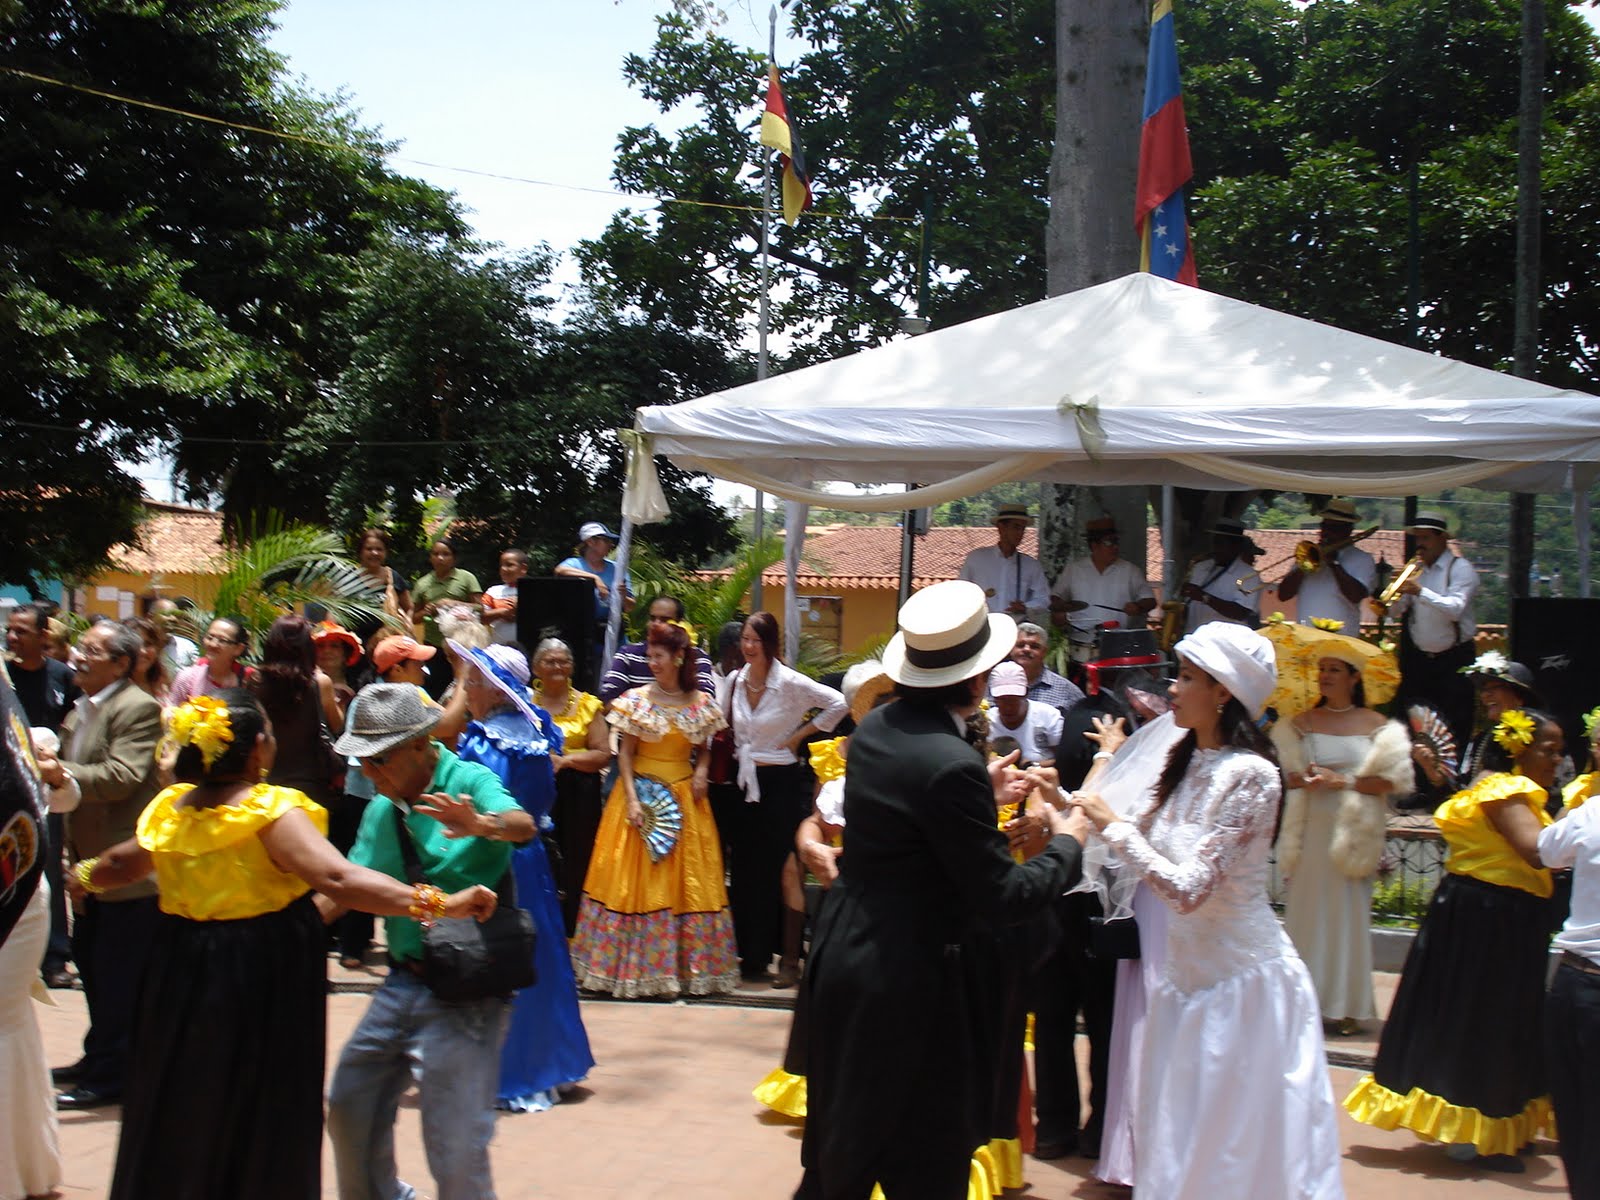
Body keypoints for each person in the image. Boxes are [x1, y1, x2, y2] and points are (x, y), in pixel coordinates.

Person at [69, 690, 495, 1200]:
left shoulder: (174, 807)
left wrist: (84, 875)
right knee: (259, 1104)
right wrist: (437, 903)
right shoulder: (268, 811)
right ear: (256, 751)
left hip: (180, 972)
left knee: (186, 1095)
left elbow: (121, 864)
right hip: (257, 975)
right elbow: (337, 877)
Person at [797, 580, 1086, 1199]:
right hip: (910, 980)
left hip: (849, 953)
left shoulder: (878, 730)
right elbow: (1002, 894)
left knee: (841, 1153)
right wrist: (1070, 843)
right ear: (978, 678)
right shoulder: (949, 763)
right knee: (925, 1161)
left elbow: (911, 819)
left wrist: (978, 791)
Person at [1071, 622, 1344, 1200]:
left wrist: (1113, 826)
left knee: (1235, 1156)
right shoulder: (1183, 761)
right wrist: (1047, 802)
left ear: (1223, 692)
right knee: (1182, 1145)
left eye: (1188, 677)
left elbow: (1188, 888)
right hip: (1184, 985)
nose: (1172, 689)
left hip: (1243, 990)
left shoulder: (1252, 775)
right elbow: (1106, 829)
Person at [325, 683, 535, 1200]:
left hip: (466, 993)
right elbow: (348, 884)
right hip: (403, 981)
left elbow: (523, 826)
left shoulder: (467, 779)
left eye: (379, 761)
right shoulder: (381, 809)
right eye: (363, 763)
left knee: (455, 1147)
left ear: (420, 745)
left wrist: (480, 825)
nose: (369, 774)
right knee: (350, 1105)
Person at [1345, 708, 1563, 1172]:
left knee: (1497, 1021)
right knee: (1482, 1020)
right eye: (1549, 749)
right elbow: (1537, 851)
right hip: (1490, 923)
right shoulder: (1506, 790)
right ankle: (1473, 1133)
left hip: (1494, 919)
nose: (1557, 761)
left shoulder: (1511, 792)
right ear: (1518, 748)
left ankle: (1499, 1127)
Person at [448, 640, 595, 1112]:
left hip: (493, 859)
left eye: (471, 682)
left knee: (494, 955)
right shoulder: (537, 736)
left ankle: (506, 1069)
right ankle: (552, 1063)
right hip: (530, 856)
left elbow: (471, 804)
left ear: (493, 690)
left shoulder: (481, 741)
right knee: (541, 954)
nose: (466, 689)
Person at [33, 621, 164, 1110]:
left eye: (93, 651)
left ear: (123, 663)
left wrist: (60, 770)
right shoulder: (84, 707)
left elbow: (123, 776)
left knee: (118, 976)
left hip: (127, 872)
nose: (80, 658)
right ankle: (99, 1056)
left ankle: (116, 1073)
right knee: (93, 965)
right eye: (81, 649)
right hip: (88, 866)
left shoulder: (138, 707)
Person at [569, 621, 739, 998]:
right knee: (635, 884)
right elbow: (625, 754)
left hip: (685, 800)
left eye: (658, 656)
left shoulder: (700, 702)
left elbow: (706, 745)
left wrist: (703, 771)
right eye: (650, 656)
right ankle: (628, 968)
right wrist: (630, 799)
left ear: (678, 657)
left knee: (686, 885)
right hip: (641, 800)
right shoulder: (636, 701)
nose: (652, 662)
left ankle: (681, 970)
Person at [1272, 637, 1413, 1034]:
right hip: (1310, 830)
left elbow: (1392, 781)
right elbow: (1281, 776)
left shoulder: (1379, 725)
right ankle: (1303, 1000)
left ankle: (1346, 1004)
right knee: (1305, 915)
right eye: (1322, 669)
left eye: (1334, 669)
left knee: (1348, 916)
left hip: (1352, 833)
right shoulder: (1299, 723)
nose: (1325, 676)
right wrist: (1298, 778)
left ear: (1354, 677)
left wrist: (1344, 781)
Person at [728, 611, 847, 982]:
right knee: (746, 870)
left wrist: (800, 735)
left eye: (756, 641)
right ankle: (750, 955)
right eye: (745, 639)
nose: (748, 647)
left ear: (770, 644)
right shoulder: (734, 680)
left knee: (783, 868)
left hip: (779, 780)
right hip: (743, 780)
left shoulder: (791, 683)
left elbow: (838, 703)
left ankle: (789, 957)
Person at [0, 656, 63, 1200]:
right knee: (11, 1023)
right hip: (20, 879)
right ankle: (26, 1167)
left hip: (13, 891)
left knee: (5, 1019)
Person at [7, 602, 80, 990]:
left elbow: (72, 725)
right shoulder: (5, 677)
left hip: (48, 789)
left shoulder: (62, 677)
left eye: (22, 631)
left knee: (47, 866)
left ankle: (55, 957)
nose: (12, 636)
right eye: (10, 630)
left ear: (43, 637)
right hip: (11, 786)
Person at [1539, 750, 1600, 1198]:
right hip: (1577, 987)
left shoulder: (1590, 811)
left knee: (1578, 1126)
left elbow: (1545, 851)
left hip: (1575, 985)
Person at [531, 636, 610, 935]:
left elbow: (603, 753)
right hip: (538, 791)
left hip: (578, 792)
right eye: (550, 661)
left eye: (563, 661)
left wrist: (565, 762)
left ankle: (575, 931)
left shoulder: (589, 705)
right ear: (536, 668)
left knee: (578, 862)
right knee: (539, 857)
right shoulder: (525, 703)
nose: (557, 667)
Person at [1390, 510, 1480, 748]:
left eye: (1426, 538)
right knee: (1412, 724)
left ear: (1442, 539)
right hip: (1419, 661)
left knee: (1453, 725)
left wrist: (1419, 591)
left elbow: (1455, 608)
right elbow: (1395, 611)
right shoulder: (1419, 571)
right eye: (1417, 539)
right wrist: (1393, 594)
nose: (1420, 545)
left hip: (1453, 660)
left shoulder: (1461, 569)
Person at [252, 615, 340, 807]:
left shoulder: (255, 681)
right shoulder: (319, 683)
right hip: (310, 785)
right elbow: (338, 726)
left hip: (266, 782)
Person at [1049, 516, 1156, 662]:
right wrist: (1059, 612)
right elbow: (1055, 597)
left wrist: (1138, 606)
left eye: (1116, 541)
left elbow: (1150, 600)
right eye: (1109, 542)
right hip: (1080, 643)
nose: (1115, 547)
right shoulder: (1074, 569)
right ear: (1094, 545)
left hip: (1118, 643)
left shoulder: (1130, 570)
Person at [1275, 496, 1375, 631]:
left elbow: (1356, 596)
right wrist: (1304, 566)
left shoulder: (1362, 559)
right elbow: (1283, 595)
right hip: (1305, 636)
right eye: (1324, 526)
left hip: (1341, 640)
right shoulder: (1309, 553)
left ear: (1348, 530)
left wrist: (1334, 564)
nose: (1326, 532)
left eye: (1334, 528)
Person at [599, 593, 714, 701]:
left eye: (664, 620)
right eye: (652, 618)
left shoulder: (698, 657)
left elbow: (705, 699)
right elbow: (608, 700)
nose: (656, 624)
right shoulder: (628, 655)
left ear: (680, 623)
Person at [556, 521, 633, 677]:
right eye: (606, 540)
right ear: (591, 542)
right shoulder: (575, 564)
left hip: (613, 636)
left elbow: (631, 607)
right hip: (584, 637)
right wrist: (594, 579)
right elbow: (560, 570)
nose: (610, 545)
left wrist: (623, 595)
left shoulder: (617, 569)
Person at [410, 537, 482, 696]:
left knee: (465, 685)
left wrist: (454, 603)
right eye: (435, 554)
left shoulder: (466, 578)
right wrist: (427, 611)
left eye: (445, 554)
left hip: (463, 644)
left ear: (454, 557)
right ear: (430, 558)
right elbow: (414, 618)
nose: (440, 558)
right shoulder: (423, 583)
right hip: (434, 646)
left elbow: (480, 608)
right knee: (435, 689)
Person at [958, 502, 1051, 621]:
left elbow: (1044, 598)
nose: (1020, 534)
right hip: (982, 626)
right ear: (1001, 528)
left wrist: (1026, 607)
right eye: (1016, 527)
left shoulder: (1031, 565)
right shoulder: (976, 559)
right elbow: (961, 593)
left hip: (1015, 628)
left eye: (1023, 529)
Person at [1180, 516, 1261, 634]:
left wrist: (1204, 597)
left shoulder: (1249, 575)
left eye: (1221, 544)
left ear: (1236, 547)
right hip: (1194, 638)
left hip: (1225, 644)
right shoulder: (1200, 567)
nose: (1215, 548)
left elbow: (1240, 613)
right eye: (1215, 542)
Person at [986, 661, 1062, 766]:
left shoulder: (1049, 717)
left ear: (1026, 693)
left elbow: (1064, 759)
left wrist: (1031, 766)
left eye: (1013, 699)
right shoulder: (987, 722)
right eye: (1002, 699)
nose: (1008, 706)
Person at [1001, 621, 1085, 711]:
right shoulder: (992, 683)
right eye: (1020, 645)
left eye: (1034, 646)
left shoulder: (1067, 691)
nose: (1026, 649)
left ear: (1044, 652)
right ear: (1011, 649)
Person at [167, 616, 251, 705]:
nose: (213, 644)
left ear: (238, 649)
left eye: (222, 640)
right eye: (210, 637)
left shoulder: (247, 681)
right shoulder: (187, 678)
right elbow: (173, 712)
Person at [481, 547, 528, 645]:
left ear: (523, 569)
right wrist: (502, 612)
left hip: (528, 648)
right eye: (501, 565)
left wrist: (522, 608)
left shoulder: (534, 590)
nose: (503, 569)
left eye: (509, 565)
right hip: (498, 649)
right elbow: (481, 618)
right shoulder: (493, 591)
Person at [121, 615, 172, 701]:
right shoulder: (116, 690)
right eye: (135, 645)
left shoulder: (161, 683)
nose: (142, 651)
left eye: (148, 644)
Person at [147, 597, 199, 677]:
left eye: (177, 616)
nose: (173, 619)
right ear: (150, 618)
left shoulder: (188, 648)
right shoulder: (139, 649)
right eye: (167, 614)